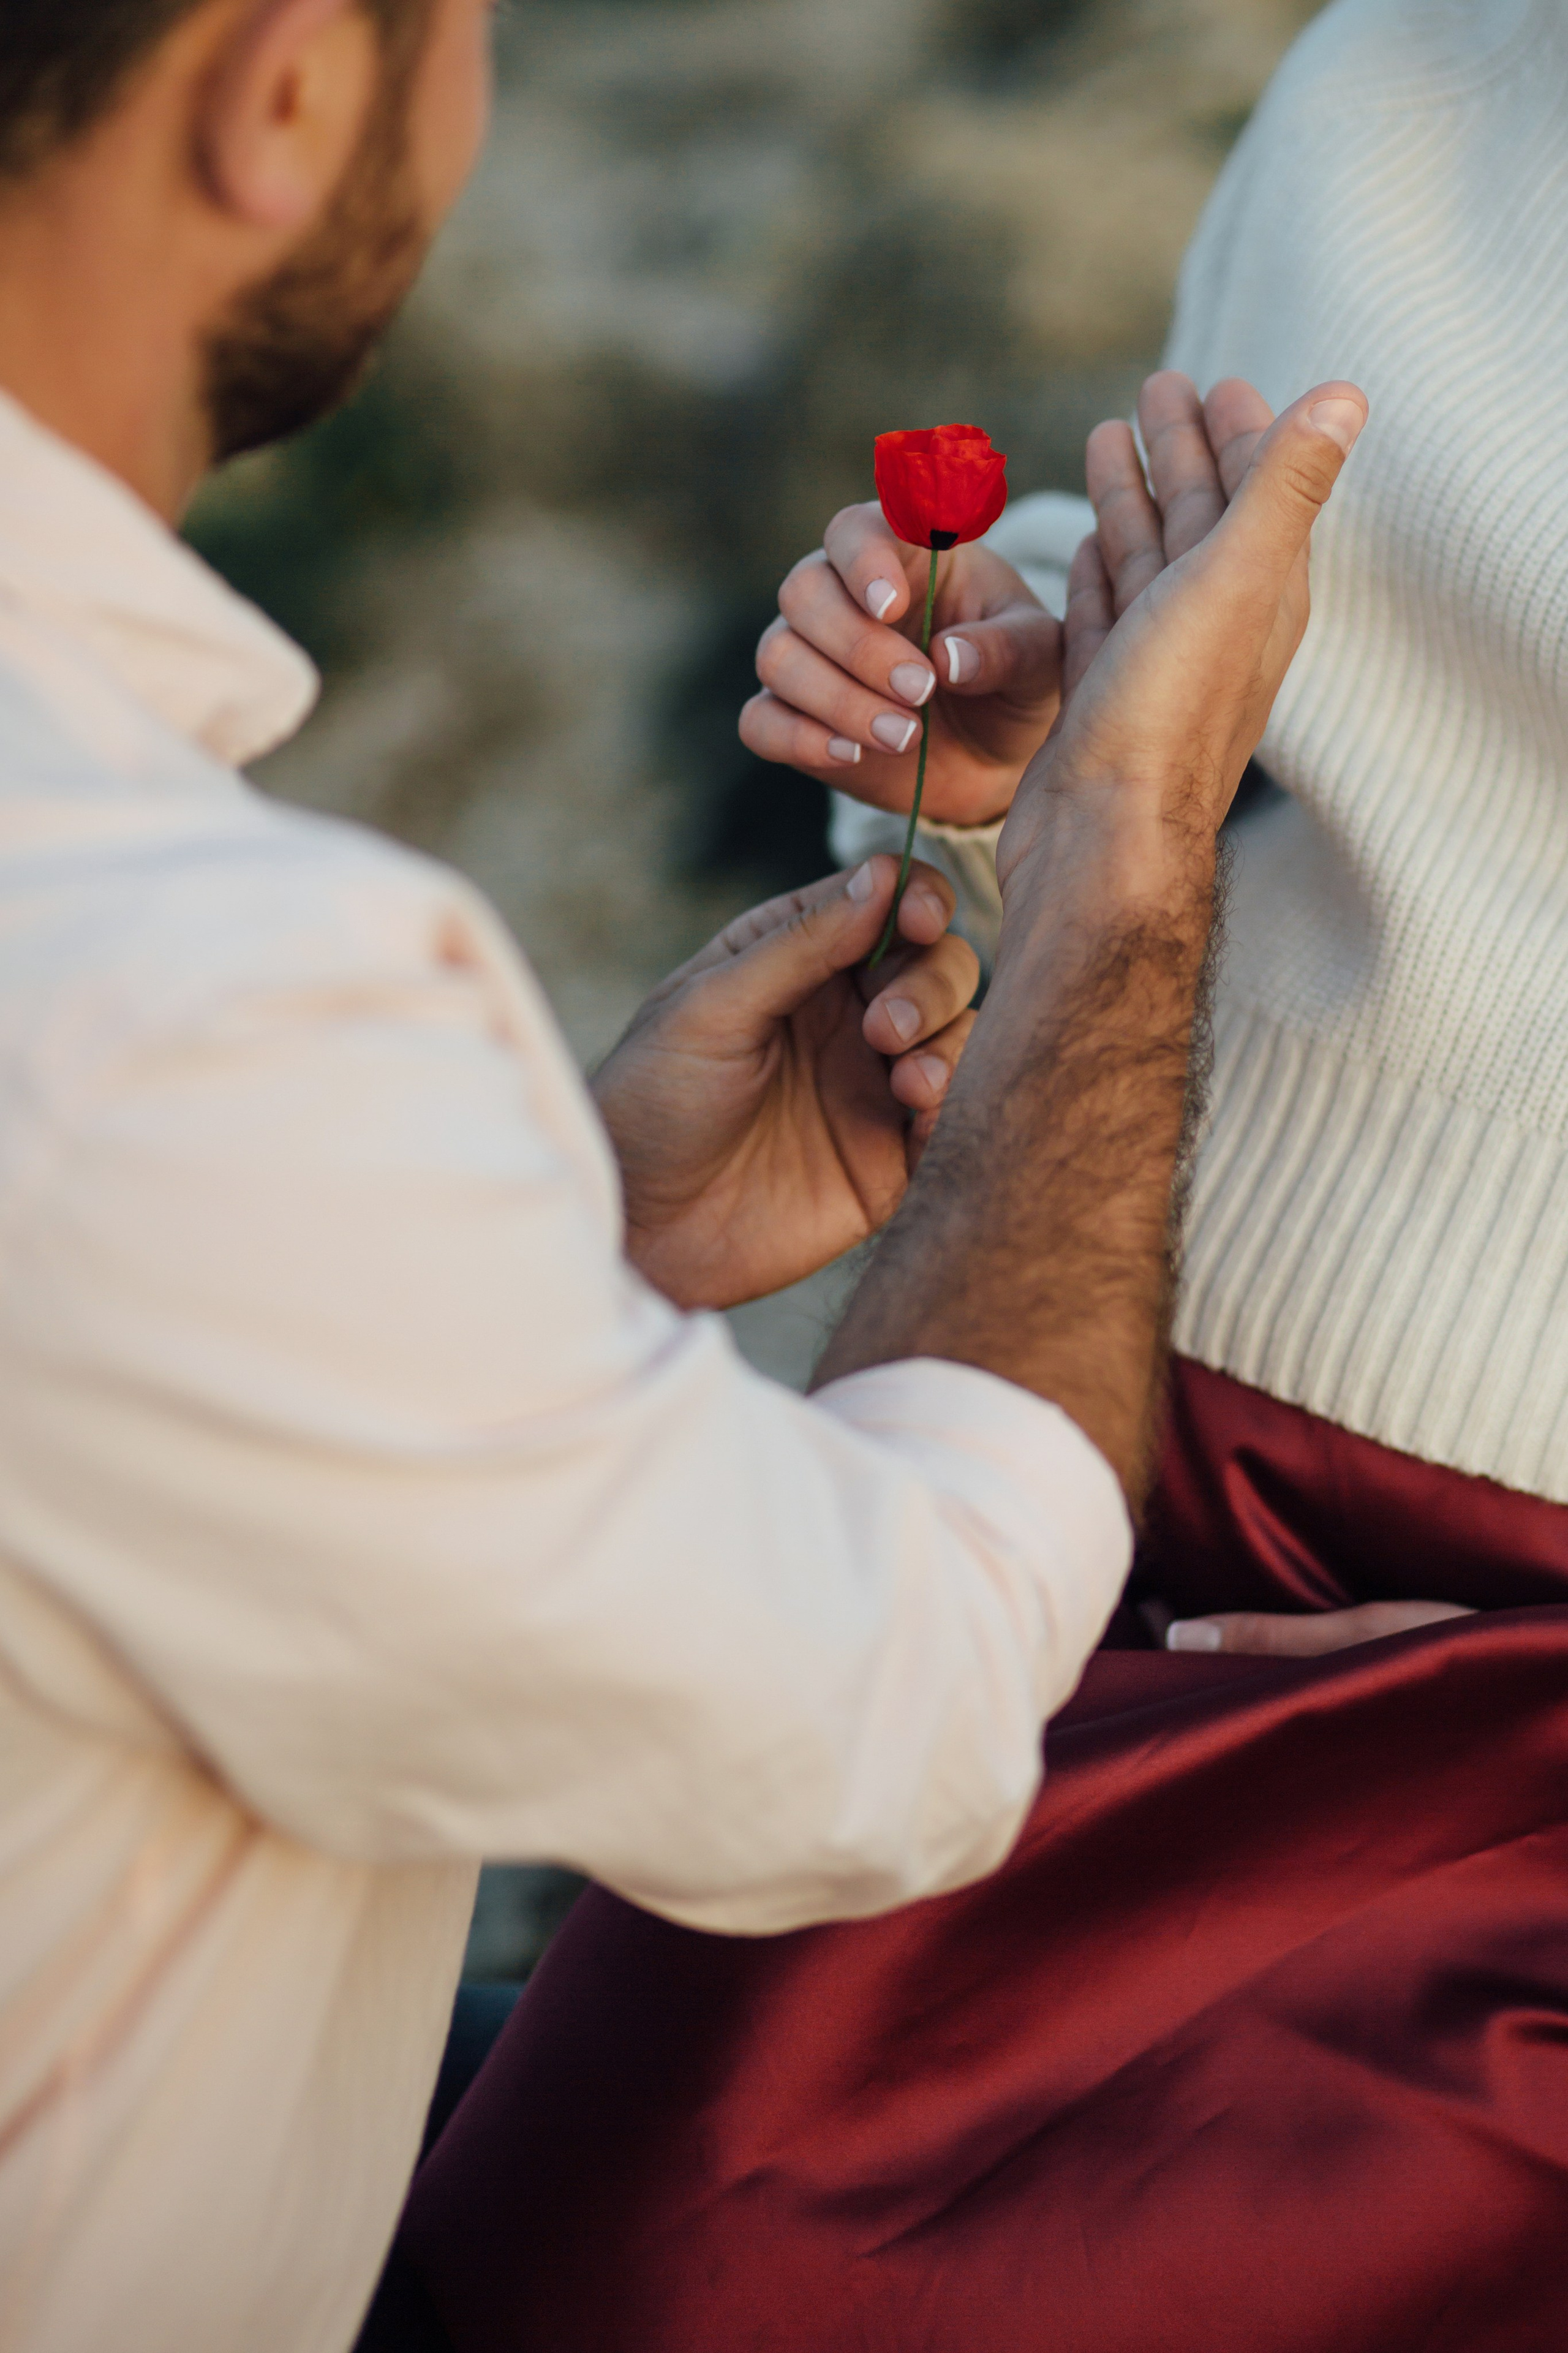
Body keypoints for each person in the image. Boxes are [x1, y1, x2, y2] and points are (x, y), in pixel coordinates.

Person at [0, 4, 1360, 2350]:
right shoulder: (178, 1000)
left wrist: (565, 1277)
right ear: (283, 92)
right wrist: (1122, 855)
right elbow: (883, 1719)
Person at [384, 2, 1568, 2347]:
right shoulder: (1412, 63)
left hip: (1490, 1714)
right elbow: (1318, 734)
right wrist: (1006, 731)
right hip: (1068, 1419)